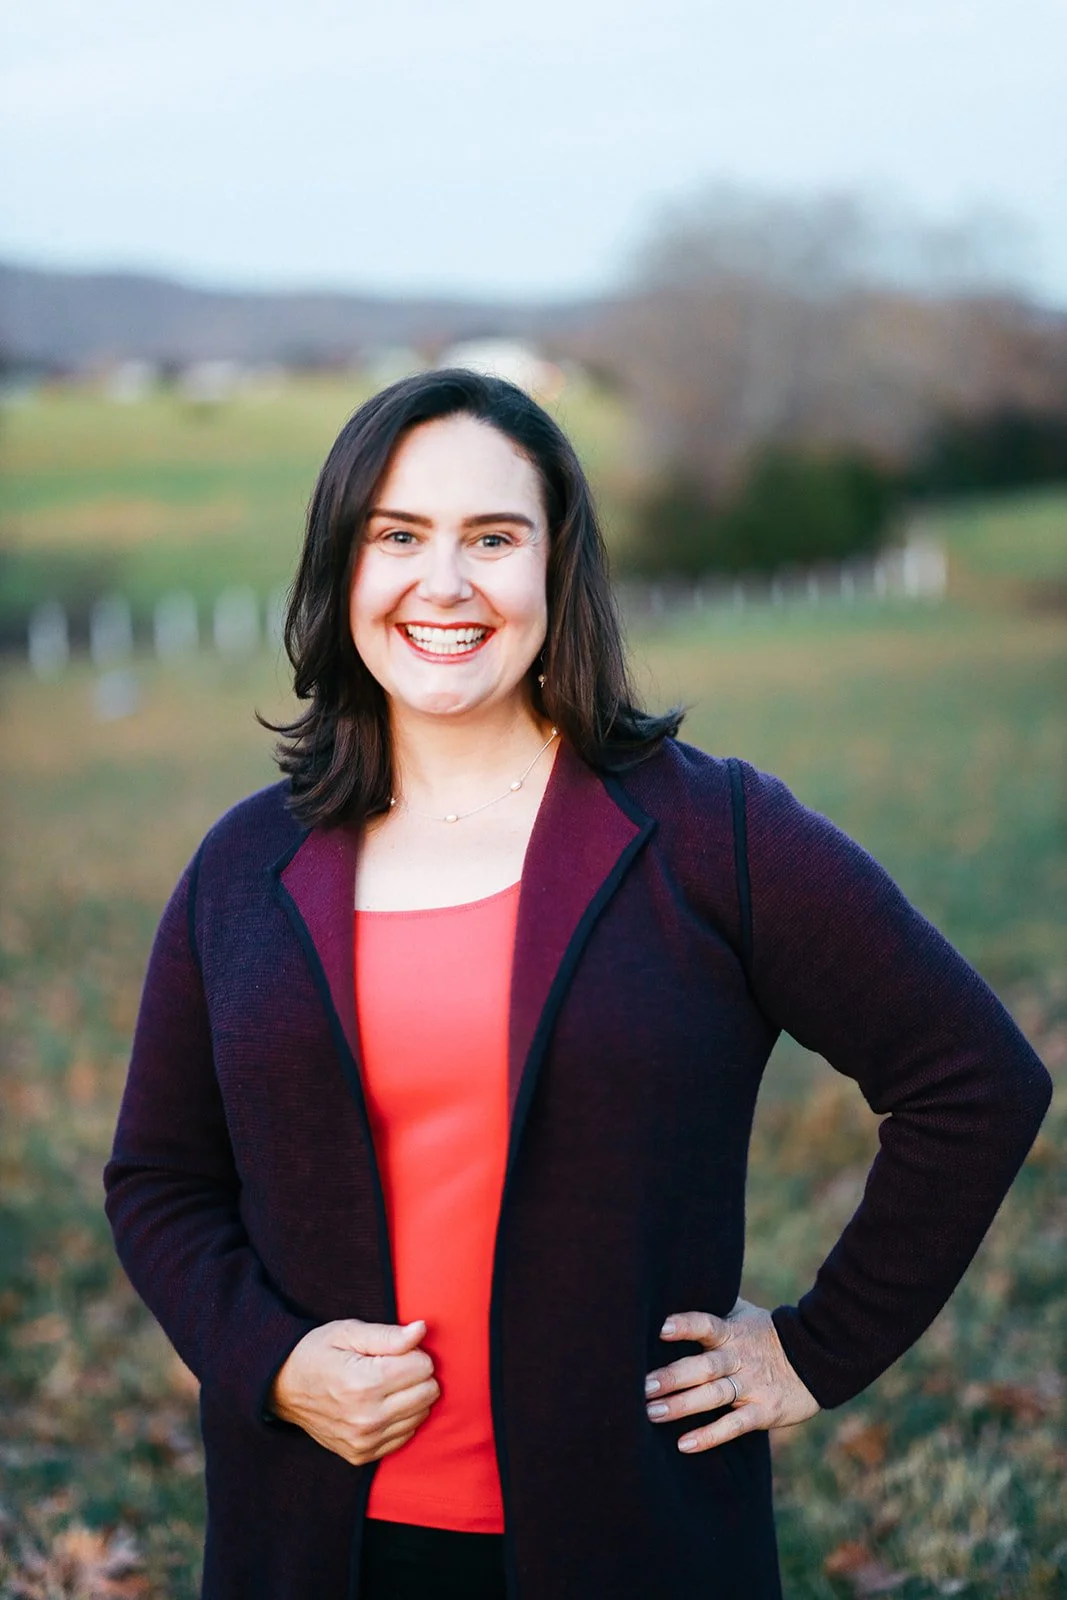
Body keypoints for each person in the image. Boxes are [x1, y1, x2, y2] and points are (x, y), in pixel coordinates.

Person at [104, 370, 1052, 1600]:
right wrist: (271, 1362)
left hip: (632, 1545)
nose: (442, 583)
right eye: (397, 535)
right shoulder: (245, 864)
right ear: (342, 566)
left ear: (556, 571)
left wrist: (814, 1352)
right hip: (309, 1543)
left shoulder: (710, 833)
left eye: (491, 539)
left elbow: (972, 1082)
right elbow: (159, 1180)